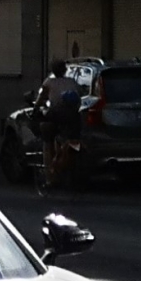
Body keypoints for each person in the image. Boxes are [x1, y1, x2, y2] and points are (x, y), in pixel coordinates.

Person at [36, 61, 84, 191]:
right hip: (73, 117)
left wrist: (36, 110)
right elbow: (81, 94)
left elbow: (41, 99)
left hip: (55, 116)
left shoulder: (49, 82)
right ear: (65, 70)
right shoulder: (72, 82)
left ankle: (50, 177)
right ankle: (71, 165)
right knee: (73, 140)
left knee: (47, 141)